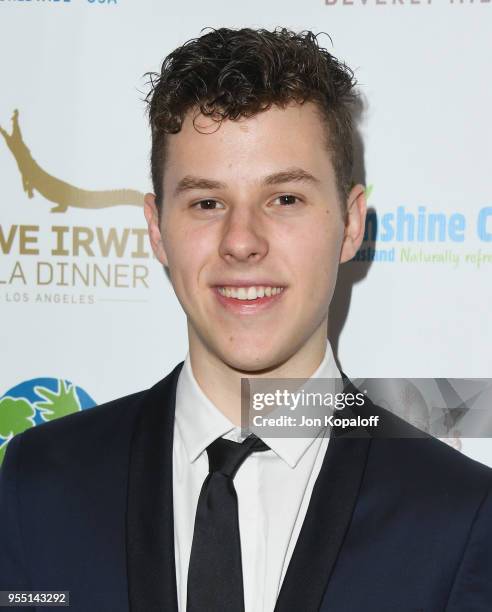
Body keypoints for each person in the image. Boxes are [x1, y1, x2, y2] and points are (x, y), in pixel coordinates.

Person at [1, 27, 491, 612]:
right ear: (157, 229)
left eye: (284, 199)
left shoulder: (460, 516)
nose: (241, 242)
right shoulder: (40, 483)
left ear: (352, 224)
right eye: (207, 202)